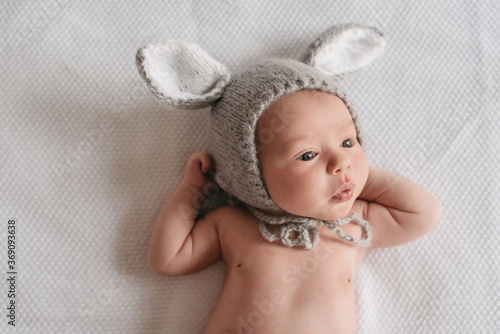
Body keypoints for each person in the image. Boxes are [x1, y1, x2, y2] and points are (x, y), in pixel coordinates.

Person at [138, 24, 442, 334]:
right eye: (308, 155)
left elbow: (424, 214)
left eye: (348, 142)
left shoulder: (355, 223)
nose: (340, 162)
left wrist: (356, 176)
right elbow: (168, 259)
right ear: (249, 171)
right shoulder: (233, 223)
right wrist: (192, 191)